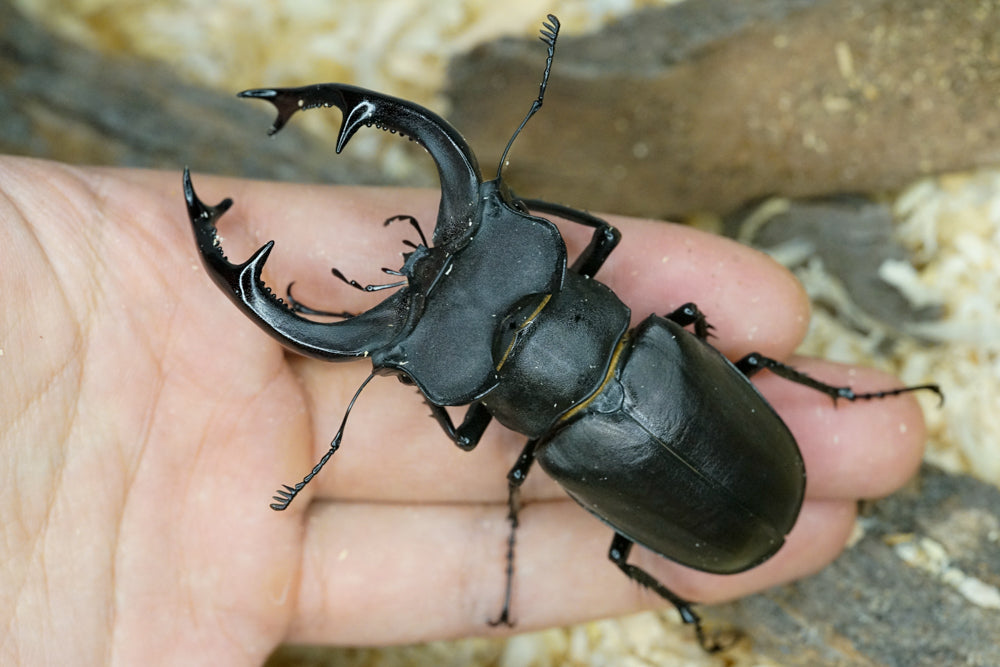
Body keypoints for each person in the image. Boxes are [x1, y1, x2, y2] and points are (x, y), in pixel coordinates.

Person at [1, 156, 928, 664]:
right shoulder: (659, 335)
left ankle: (693, 604)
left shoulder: (546, 445)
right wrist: (506, 219)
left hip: (717, 494)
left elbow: (459, 423)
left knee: (618, 541)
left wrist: (414, 359)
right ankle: (834, 412)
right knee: (747, 356)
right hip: (723, 483)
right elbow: (597, 243)